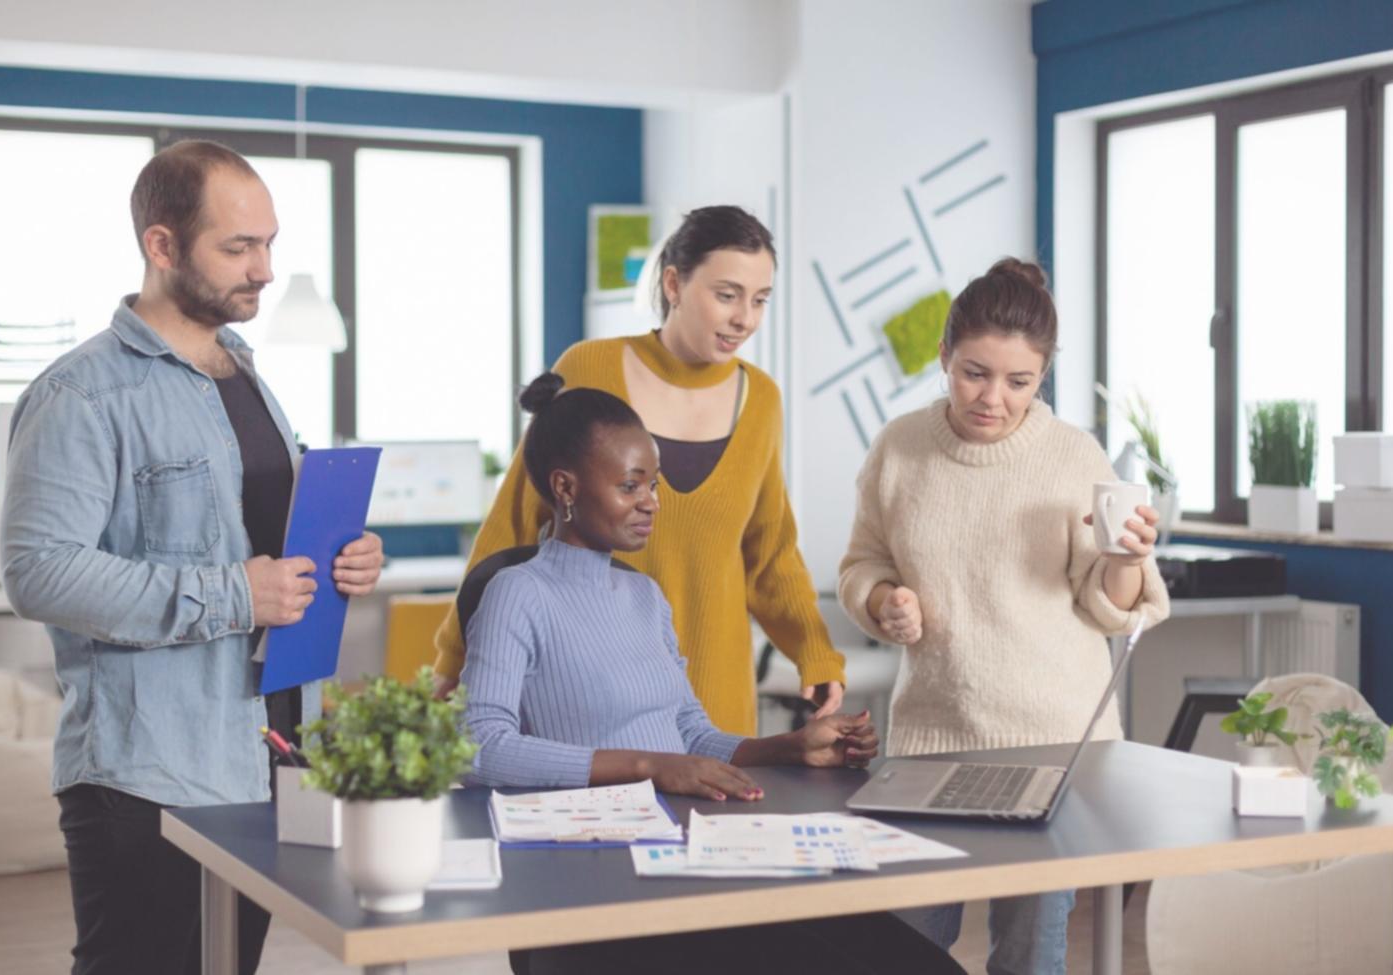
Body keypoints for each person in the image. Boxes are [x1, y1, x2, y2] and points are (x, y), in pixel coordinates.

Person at [1, 140, 384, 975]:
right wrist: (236, 595)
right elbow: (38, 570)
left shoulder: (245, 375)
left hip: (265, 754)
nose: (264, 270)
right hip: (151, 773)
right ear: (162, 244)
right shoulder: (80, 394)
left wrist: (344, 554)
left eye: (269, 244)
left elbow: (253, 537)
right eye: (238, 247)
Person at [461, 373, 963, 975]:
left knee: (915, 961)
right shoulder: (517, 594)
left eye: (653, 484)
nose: (651, 501)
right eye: (630, 485)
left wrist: (791, 747)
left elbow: (692, 734)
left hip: (694, 856)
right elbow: (479, 746)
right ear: (566, 487)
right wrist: (648, 766)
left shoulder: (644, 596)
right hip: (604, 885)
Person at [836, 258, 1171, 975]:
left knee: (1027, 957)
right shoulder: (899, 448)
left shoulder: (1072, 455)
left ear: (1042, 375)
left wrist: (1127, 557)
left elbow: (1107, 605)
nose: (993, 398)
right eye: (974, 374)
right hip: (931, 740)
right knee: (899, 950)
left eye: (1019, 382)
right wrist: (883, 598)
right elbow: (861, 563)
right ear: (943, 357)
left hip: (1055, 746)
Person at [438, 205, 845, 735]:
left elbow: (770, 554)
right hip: (589, 701)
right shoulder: (589, 368)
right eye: (727, 295)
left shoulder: (762, 399)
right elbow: (510, 527)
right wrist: (454, 659)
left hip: (717, 700)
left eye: (760, 299)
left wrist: (815, 654)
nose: (745, 318)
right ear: (674, 284)